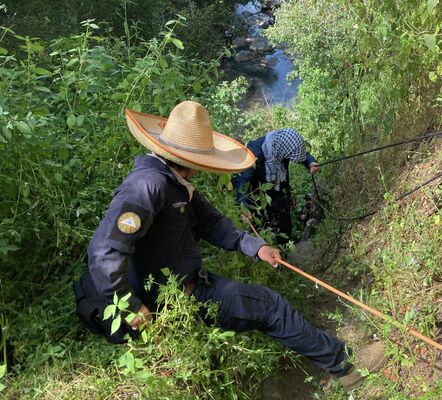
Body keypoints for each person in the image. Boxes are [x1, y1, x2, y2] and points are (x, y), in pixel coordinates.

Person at [83, 101, 386, 391]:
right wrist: (131, 306)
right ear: (187, 159)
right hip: (173, 299)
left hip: (188, 283)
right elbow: (103, 252)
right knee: (270, 306)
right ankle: (347, 369)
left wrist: (255, 247)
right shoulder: (147, 187)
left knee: (263, 305)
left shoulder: (175, 183)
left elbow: (213, 224)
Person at [232, 128, 318, 244]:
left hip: (276, 187)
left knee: (283, 216)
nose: (291, 157)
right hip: (257, 192)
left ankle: (284, 245)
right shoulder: (254, 153)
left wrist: (309, 162)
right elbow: (241, 181)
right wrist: (243, 206)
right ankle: (266, 248)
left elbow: (300, 153)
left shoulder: (282, 145)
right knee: (259, 221)